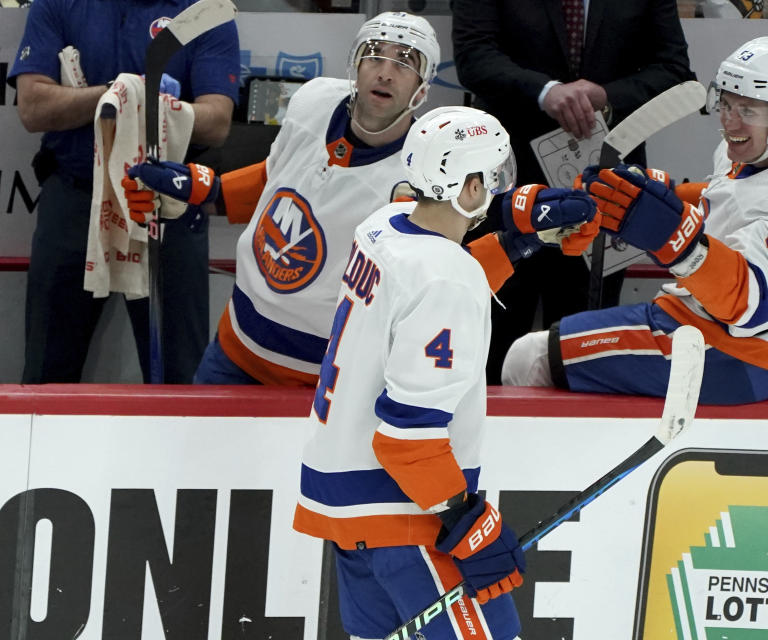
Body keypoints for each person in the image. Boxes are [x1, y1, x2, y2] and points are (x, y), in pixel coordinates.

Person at [124, 12, 598, 386]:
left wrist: (525, 238)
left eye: (405, 63)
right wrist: (204, 187)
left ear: (423, 89)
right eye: (375, 55)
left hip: (326, 379)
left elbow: (452, 274)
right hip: (235, 349)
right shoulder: (313, 100)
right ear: (356, 64)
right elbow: (276, 178)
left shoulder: (426, 170)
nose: (386, 72)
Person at [502, 36, 768, 405]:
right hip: (760, 342)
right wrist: (659, 193)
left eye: (748, 110)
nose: (731, 122)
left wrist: (669, 234)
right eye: (727, 103)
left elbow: (750, 303)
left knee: (528, 359)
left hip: (736, 354)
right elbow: (735, 200)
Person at [293, 106, 526, 640]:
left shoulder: (382, 226)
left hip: (351, 514)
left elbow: (416, 299)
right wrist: (467, 522)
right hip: (408, 518)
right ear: (469, 188)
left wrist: (523, 242)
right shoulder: (448, 278)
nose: (497, 186)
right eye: (491, 176)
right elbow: (406, 438)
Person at [451, 0, 697, 384]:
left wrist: (606, 95)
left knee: (580, 346)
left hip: (604, 185)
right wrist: (545, 92)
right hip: (505, 185)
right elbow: (473, 57)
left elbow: (673, 70)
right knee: (491, 333)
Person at [8, 0, 239, 384]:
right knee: (47, 373)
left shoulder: (204, 10)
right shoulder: (59, 3)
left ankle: (174, 445)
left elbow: (216, 121)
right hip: (75, 200)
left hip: (166, 205)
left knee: (180, 378)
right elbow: (33, 107)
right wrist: (120, 95)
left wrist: (151, 105)